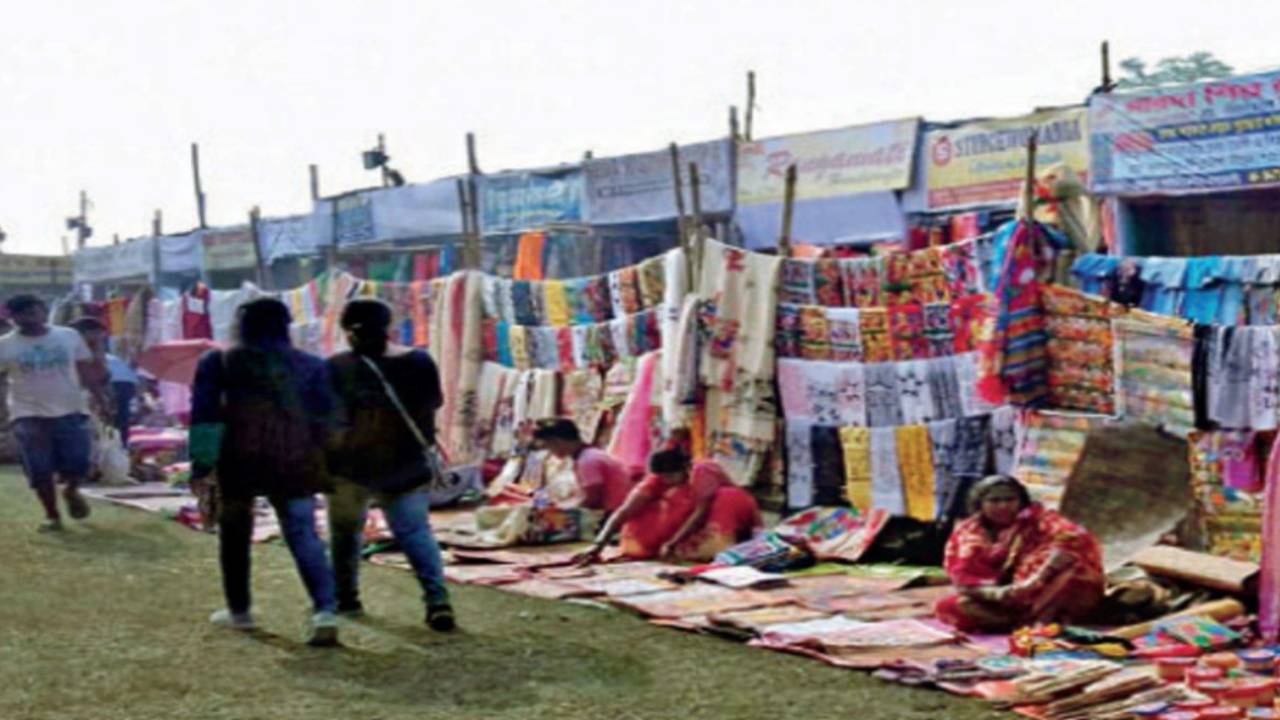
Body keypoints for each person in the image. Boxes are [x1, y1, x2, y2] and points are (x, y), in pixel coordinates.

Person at [190, 298, 340, 645]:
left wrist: (201, 466)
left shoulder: (219, 361)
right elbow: (328, 419)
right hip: (295, 458)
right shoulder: (311, 365)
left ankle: (240, 611)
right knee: (303, 533)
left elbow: (205, 417)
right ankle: (324, 611)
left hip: (237, 457)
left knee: (235, 535)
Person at [326, 299, 455, 632]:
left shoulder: (337, 367)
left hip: (351, 466)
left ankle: (346, 598)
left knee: (345, 536)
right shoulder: (419, 361)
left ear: (347, 332)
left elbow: (328, 419)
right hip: (407, 462)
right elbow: (433, 404)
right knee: (415, 533)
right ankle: (437, 600)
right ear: (389, 328)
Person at [935, 475, 1105, 632]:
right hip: (996, 597)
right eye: (994, 500)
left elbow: (1074, 535)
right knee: (951, 606)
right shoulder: (967, 535)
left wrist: (1037, 578)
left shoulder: (1038, 519)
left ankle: (1043, 619)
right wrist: (1002, 593)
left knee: (1077, 568)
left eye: (1010, 499)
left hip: (1038, 591)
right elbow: (965, 583)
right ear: (980, 504)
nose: (1003, 506)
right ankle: (1018, 623)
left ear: (1021, 502)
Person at [0, 295, 107, 531]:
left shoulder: (68, 336)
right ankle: (52, 515)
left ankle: (71, 491)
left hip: (71, 408)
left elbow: (84, 369)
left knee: (79, 462)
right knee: (39, 468)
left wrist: (100, 399)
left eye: (33, 310)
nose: (28, 316)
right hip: (27, 414)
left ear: (43, 310)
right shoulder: (5, 345)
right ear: (13, 317)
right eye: (21, 312)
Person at [577, 449, 762, 564]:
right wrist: (597, 545)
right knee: (655, 507)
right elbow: (625, 511)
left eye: (671, 476)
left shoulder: (703, 472)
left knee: (727, 497)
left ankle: (718, 545)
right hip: (689, 520)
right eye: (664, 478)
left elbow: (701, 510)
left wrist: (673, 542)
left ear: (686, 468)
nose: (667, 481)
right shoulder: (656, 481)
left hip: (718, 514)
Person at [532, 418, 637, 515]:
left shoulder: (587, 461)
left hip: (612, 514)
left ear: (556, 441)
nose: (550, 452)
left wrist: (562, 510)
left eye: (549, 447)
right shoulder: (590, 455)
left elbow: (591, 499)